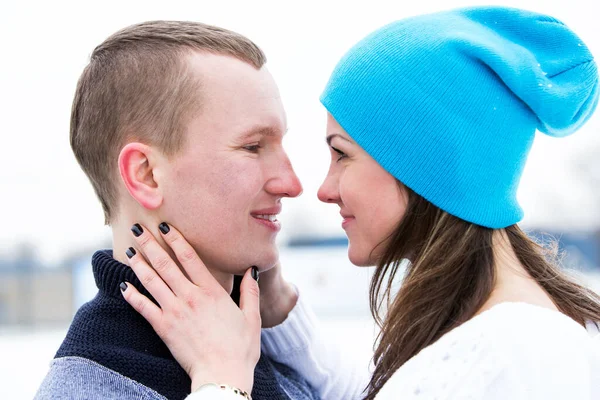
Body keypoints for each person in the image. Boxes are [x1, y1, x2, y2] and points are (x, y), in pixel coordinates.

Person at [120, 6, 600, 400]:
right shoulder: (521, 340)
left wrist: (220, 381)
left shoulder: (492, 366)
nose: (322, 189)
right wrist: (281, 310)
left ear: (421, 166)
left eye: (341, 154)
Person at [35, 20, 366, 400]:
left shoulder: (257, 346)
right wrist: (223, 384)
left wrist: (280, 318)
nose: (292, 184)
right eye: (253, 147)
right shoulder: (85, 389)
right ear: (146, 175)